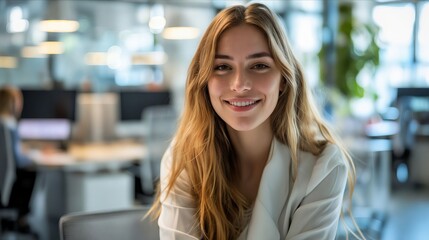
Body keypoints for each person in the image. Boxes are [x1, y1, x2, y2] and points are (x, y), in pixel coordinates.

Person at [149, 3, 361, 240]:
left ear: (283, 78)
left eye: (259, 66)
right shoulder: (185, 158)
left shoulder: (322, 166)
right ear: (204, 81)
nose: (240, 84)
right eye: (222, 67)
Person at [0, 86, 37, 232]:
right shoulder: (8, 125)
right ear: (13, 103)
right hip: (5, 191)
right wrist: (34, 155)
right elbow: (18, 160)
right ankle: (22, 218)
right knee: (32, 172)